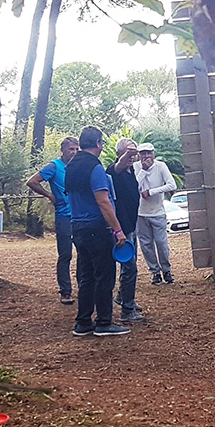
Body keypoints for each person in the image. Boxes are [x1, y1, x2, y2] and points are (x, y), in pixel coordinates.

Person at [63, 126, 130, 336]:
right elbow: (103, 201)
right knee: (104, 276)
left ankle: (83, 322)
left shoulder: (71, 166)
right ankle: (103, 322)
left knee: (86, 276)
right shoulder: (95, 167)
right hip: (96, 228)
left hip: (77, 226)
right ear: (99, 144)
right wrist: (118, 230)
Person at [27, 136, 80, 305]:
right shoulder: (55, 166)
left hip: (80, 216)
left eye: (77, 149)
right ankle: (65, 291)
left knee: (84, 253)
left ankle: (84, 287)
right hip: (64, 216)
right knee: (65, 255)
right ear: (63, 150)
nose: (74, 152)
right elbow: (32, 181)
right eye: (71, 149)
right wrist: (49, 195)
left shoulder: (79, 166)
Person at [105, 138, 144, 323]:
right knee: (130, 268)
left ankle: (123, 297)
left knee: (129, 265)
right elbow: (118, 166)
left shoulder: (131, 172)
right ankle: (127, 311)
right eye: (127, 152)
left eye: (133, 153)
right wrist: (129, 153)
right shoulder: (114, 171)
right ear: (119, 154)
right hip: (120, 228)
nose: (132, 156)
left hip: (131, 225)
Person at [134, 142, 177, 285]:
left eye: (149, 153)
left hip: (158, 211)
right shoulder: (136, 167)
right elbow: (134, 186)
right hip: (141, 212)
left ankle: (166, 269)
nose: (146, 157)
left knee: (161, 243)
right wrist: (144, 171)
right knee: (146, 245)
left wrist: (151, 192)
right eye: (143, 153)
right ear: (139, 155)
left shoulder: (161, 166)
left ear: (153, 154)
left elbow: (172, 185)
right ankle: (155, 272)